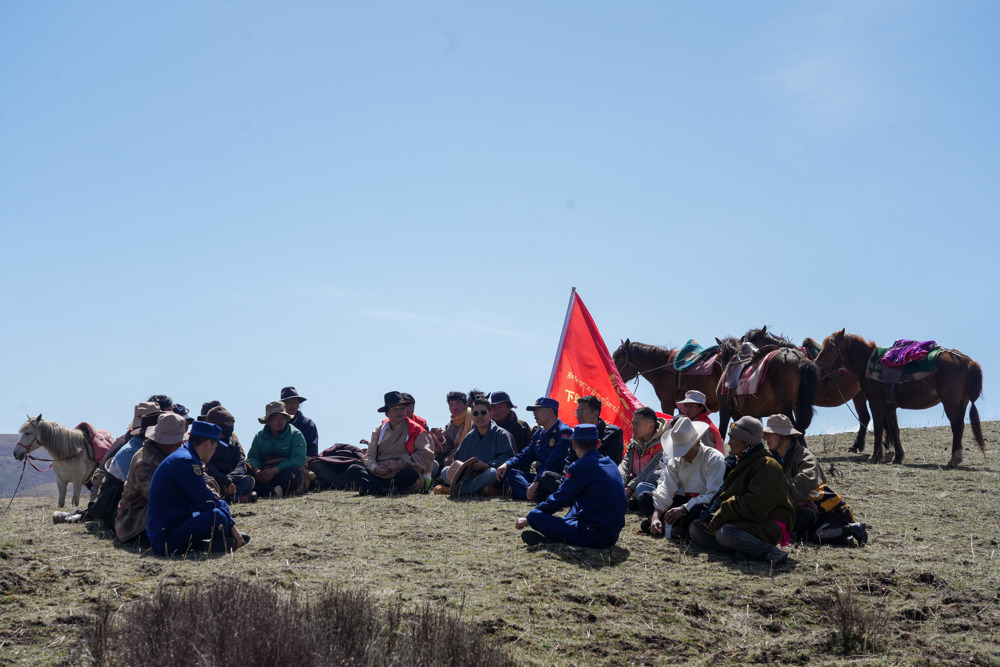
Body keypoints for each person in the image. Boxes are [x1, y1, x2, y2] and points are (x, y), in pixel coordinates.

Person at [689, 416, 795, 566]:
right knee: (696, 529)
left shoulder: (767, 466)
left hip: (768, 522)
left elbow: (756, 506)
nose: (729, 443)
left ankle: (770, 552)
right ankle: (743, 550)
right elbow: (724, 494)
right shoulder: (741, 463)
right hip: (745, 520)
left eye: (733, 438)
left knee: (726, 534)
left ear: (747, 442)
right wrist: (710, 516)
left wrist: (722, 514)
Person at [763, 414, 868, 546]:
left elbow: (806, 481)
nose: (766, 438)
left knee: (798, 524)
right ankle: (840, 536)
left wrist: (776, 495)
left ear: (783, 435)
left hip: (813, 511)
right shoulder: (771, 459)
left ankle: (847, 530)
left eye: (770, 433)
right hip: (792, 508)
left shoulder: (804, 456)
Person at [146, 420, 249, 555]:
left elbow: (206, 498)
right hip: (165, 538)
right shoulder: (186, 461)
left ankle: (210, 542)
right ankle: (220, 538)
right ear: (207, 444)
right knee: (217, 516)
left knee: (222, 505)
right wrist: (232, 526)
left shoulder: (187, 456)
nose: (214, 451)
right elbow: (205, 502)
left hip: (178, 524)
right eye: (215, 446)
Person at [515, 424, 627, 548]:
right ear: (598, 444)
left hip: (592, 535)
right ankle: (557, 536)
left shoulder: (579, 466)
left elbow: (560, 499)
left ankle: (555, 537)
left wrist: (529, 519)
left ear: (574, 445)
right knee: (577, 504)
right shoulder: (610, 463)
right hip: (612, 534)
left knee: (534, 516)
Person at [642, 417, 726, 539]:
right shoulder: (676, 461)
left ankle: (676, 525)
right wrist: (656, 515)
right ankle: (662, 522)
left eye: (686, 450)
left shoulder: (714, 458)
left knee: (699, 510)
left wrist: (684, 509)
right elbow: (666, 489)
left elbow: (713, 495)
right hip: (683, 502)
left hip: (702, 505)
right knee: (644, 497)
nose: (683, 454)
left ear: (697, 442)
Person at [115, 412, 188, 543]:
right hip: (134, 524)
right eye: (174, 442)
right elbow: (163, 496)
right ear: (161, 441)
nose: (179, 445)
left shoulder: (174, 454)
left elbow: (203, 479)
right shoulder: (143, 462)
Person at [345, 391, 434, 495]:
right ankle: (384, 488)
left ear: (405, 410)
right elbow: (369, 456)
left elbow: (426, 458)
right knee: (354, 468)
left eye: (401, 408)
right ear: (387, 413)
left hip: (401, 471)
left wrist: (398, 464)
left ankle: (373, 488)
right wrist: (375, 468)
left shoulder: (416, 430)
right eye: (393, 408)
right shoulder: (378, 431)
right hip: (379, 473)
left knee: (410, 474)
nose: (398, 411)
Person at [495, 397, 573, 502]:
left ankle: (533, 494)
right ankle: (535, 495)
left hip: (555, 479)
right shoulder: (538, 435)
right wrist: (507, 464)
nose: (534, 414)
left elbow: (554, 462)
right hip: (540, 479)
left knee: (546, 478)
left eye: (538, 410)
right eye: (534, 411)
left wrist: (537, 480)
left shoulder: (564, 432)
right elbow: (525, 455)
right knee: (508, 472)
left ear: (550, 411)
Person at [434, 397, 515, 497]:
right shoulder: (470, 436)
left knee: (491, 473)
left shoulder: (501, 434)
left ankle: (456, 491)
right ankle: (479, 490)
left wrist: (485, 465)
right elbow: (457, 459)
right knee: (445, 471)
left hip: (490, 475)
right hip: (470, 477)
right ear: (472, 417)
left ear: (490, 414)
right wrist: (466, 468)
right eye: (476, 413)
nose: (479, 416)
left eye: (483, 413)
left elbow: (508, 459)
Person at [247, 401, 307, 497]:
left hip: (283, 472)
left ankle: (268, 491)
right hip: (264, 472)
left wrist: (274, 471)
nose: (281, 421)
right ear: (268, 421)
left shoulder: (295, 434)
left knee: (294, 473)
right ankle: (273, 491)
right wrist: (257, 471)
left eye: (283, 417)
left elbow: (298, 459)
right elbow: (252, 457)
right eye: (276, 418)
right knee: (247, 474)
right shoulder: (259, 436)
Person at [203, 405, 256, 504]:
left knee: (249, 481)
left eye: (232, 423)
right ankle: (236, 498)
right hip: (212, 480)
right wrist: (224, 481)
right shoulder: (207, 442)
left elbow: (241, 464)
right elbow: (208, 466)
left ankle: (226, 498)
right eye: (227, 423)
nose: (230, 425)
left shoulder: (233, 443)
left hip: (230, 480)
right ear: (218, 425)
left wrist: (229, 480)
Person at [621, 407, 671, 510]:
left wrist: (630, 487)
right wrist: (620, 481)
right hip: (634, 483)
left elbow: (651, 468)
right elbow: (625, 464)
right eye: (633, 423)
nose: (633, 428)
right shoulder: (634, 441)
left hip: (655, 487)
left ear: (650, 426)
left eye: (637, 424)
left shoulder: (664, 442)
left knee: (653, 476)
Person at [573, 395, 625, 466]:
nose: (578, 416)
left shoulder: (613, 434)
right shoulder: (574, 436)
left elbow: (608, 463)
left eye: (582, 412)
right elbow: (569, 463)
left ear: (595, 413)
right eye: (577, 412)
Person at [430, 391, 472, 469]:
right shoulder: (449, 427)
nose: (454, 408)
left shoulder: (474, 419)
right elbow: (447, 449)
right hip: (455, 459)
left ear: (466, 405)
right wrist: (440, 439)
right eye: (451, 405)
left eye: (458, 404)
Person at [281, 386, 319, 458]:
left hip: (303, 463)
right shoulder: (276, 425)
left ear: (298, 403)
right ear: (282, 405)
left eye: (294, 401)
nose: (291, 405)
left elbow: (313, 451)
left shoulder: (309, 424)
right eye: (288, 402)